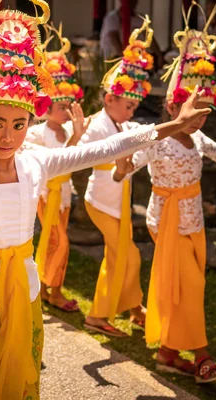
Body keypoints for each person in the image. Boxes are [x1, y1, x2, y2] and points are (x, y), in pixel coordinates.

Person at [0, 1, 213, 398]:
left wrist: (172, 125)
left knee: (26, 383)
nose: (7, 137)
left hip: (26, 292)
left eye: (18, 125)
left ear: (29, 123)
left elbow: (106, 148)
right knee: (7, 381)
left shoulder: (37, 163)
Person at [125, 3, 216, 383]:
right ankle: (201, 356)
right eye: (192, 111)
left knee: (184, 288)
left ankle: (169, 352)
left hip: (193, 220)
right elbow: (130, 161)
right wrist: (120, 167)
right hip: (166, 220)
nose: (199, 119)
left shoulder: (197, 136)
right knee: (188, 286)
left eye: (204, 112)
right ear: (171, 106)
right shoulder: (160, 138)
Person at [82, 16, 155, 337]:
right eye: (127, 105)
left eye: (135, 106)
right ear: (109, 99)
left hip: (116, 199)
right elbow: (83, 156)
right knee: (121, 255)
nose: (131, 112)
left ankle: (132, 305)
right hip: (101, 199)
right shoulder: (96, 125)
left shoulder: (123, 124)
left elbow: (134, 142)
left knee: (129, 254)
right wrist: (120, 169)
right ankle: (97, 315)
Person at [26, 23, 88, 313]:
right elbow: (55, 166)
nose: (67, 111)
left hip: (63, 194)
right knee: (58, 242)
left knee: (59, 243)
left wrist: (76, 134)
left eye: (69, 105)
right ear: (46, 108)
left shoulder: (68, 131)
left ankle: (52, 289)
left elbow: (78, 160)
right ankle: (50, 288)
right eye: (61, 106)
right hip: (46, 195)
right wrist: (76, 135)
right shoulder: (37, 133)